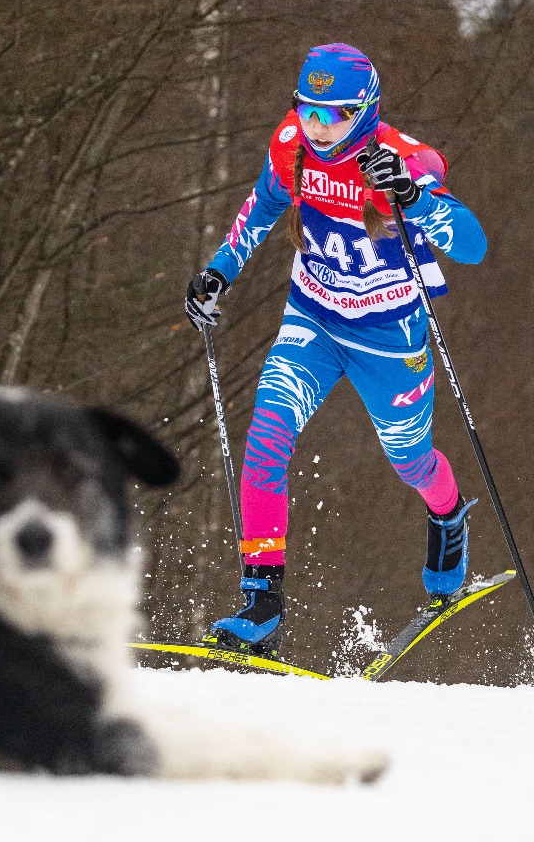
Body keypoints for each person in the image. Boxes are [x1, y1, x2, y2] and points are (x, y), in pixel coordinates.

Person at [184, 43, 488, 657]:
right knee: (266, 438)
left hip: (389, 339)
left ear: (366, 112)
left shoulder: (395, 162)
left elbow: (474, 245)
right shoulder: (293, 145)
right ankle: (262, 599)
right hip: (314, 321)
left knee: (411, 461)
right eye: (309, 110)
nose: (319, 127)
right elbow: (263, 205)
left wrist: (413, 198)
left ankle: (449, 513)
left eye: (336, 115)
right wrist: (219, 271)